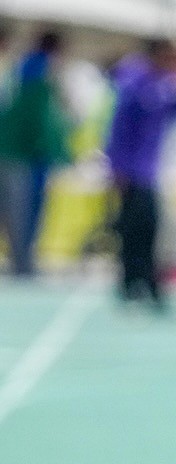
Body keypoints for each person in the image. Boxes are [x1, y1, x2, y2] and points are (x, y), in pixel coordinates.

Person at [105, 39, 176, 308]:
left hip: (150, 170)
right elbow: (118, 129)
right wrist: (116, 168)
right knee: (133, 229)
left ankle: (148, 284)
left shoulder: (163, 83)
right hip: (132, 170)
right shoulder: (136, 84)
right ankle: (132, 283)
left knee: (150, 228)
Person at [0, 30, 72, 279]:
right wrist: (62, 153)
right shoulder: (38, 73)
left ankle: (21, 262)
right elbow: (43, 120)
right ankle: (22, 264)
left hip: (12, 149)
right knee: (21, 213)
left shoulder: (19, 68)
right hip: (21, 154)